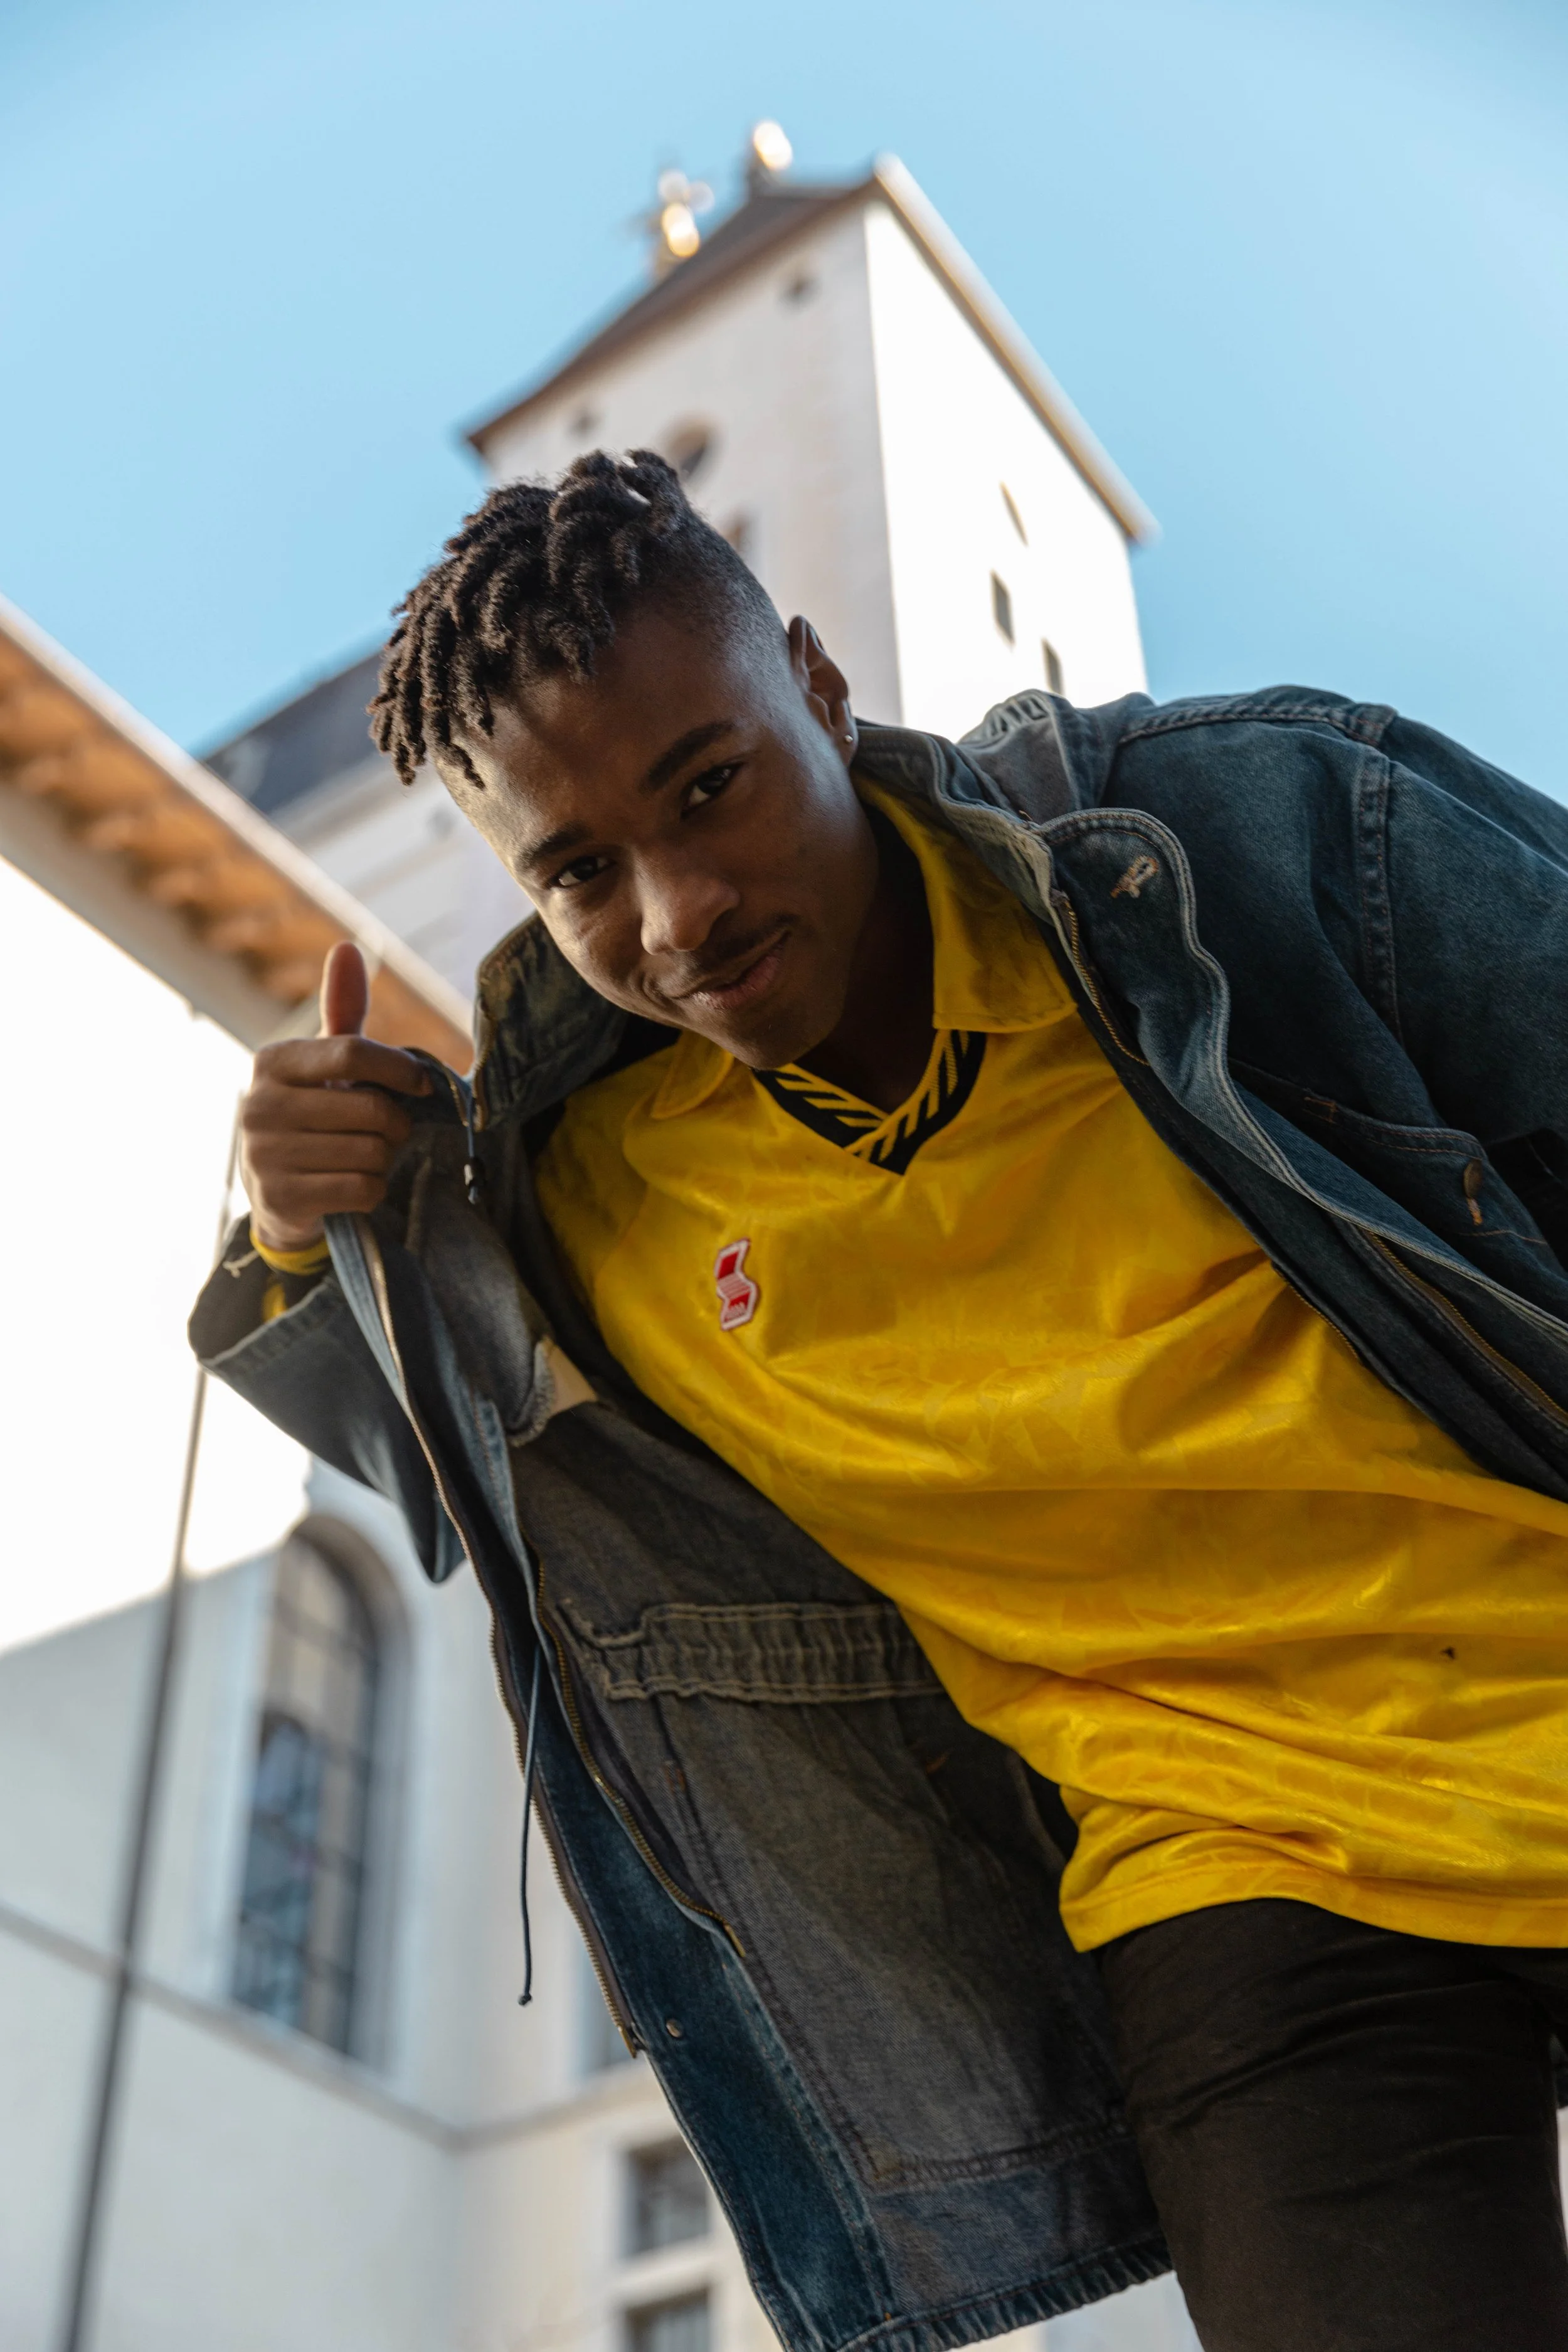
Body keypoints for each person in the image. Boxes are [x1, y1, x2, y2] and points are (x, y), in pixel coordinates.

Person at [194, 450, 1568, 2352]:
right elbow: (416, 1450)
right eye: (578, 871)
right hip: (1240, 1876)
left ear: (820, 692)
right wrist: (292, 1222)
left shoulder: (1241, 832)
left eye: (710, 784)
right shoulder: (581, 1189)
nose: (678, 910)